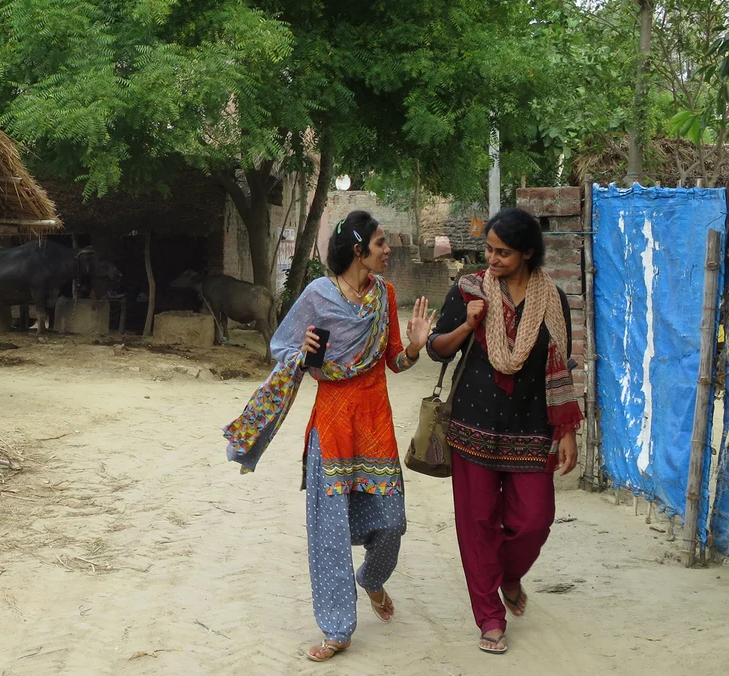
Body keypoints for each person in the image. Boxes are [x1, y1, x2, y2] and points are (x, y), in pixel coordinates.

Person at [223, 210, 434, 663]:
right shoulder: (318, 295)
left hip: (375, 426)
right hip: (332, 427)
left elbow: (396, 361)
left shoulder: (386, 295)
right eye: (380, 243)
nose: (387, 250)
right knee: (329, 534)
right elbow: (281, 347)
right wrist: (303, 353)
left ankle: (372, 579)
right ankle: (338, 629)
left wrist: (415, 346)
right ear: (358, 251)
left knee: (392, 523)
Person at [426, 207, 582, 655]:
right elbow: (438, 350)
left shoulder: (552, 299)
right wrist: (469, 323)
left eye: (503, 253)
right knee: (477, 526)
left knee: (534, 520)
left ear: (528, 253)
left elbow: (561, 365)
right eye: (490, 250)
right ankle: (489, 617)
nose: (492, 259)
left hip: (531, 427)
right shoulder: (470, 288)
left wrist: (567, 430)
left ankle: (508, 577)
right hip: (473, 425)